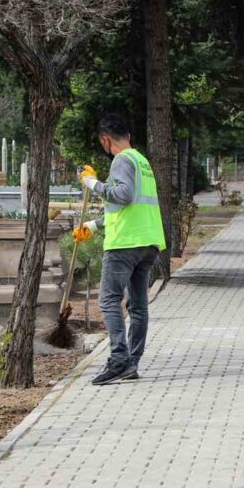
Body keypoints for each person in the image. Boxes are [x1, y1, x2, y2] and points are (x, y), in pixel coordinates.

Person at [73, 113, 166, 386]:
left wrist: (92, 184)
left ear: (105, 139)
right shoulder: (141, 161)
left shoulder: (122, 160)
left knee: (108, 299)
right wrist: (93, 224)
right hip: (147, 242)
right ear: (128, 135)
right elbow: (129, 207)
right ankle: (132, 363)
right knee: (138, 305)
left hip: (125, 244)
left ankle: (118, 359)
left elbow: (123, 195)